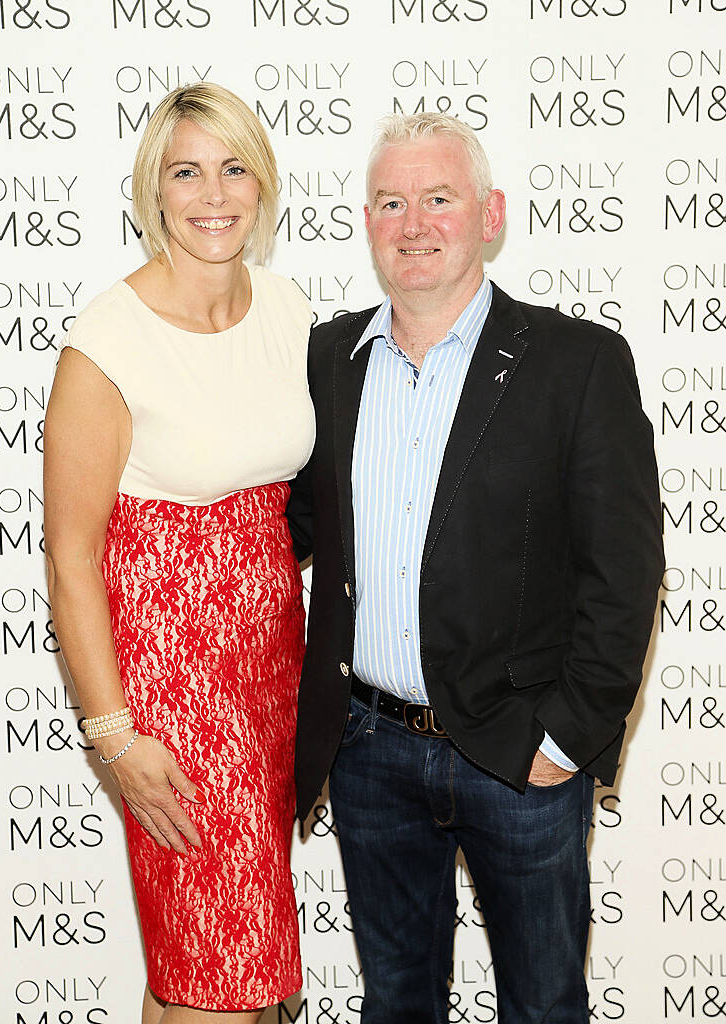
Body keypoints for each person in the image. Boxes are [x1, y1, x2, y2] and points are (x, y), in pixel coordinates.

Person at [287, 113, 664, 1024]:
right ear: (367, 220)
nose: (413, 222)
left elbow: (626, 568)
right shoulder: (327, 358)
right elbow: (286, 525)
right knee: (396, 1003)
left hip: (517, 753)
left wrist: (567, 738)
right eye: (390, 202)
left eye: (438, 198)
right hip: (369, 752)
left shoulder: (577, 362)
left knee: (542, 1007)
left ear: (488, 215)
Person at [44, 83, 314, 1023]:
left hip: (273, 668)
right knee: (226, 976)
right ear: (153, 192)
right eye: (185, 171)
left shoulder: (287, 309)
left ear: (264, 182)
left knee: (201, 968)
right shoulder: (106, 341)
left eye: (233, 166)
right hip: (171, 686)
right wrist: (114, 734)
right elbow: (70, 557)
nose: (212, 192)